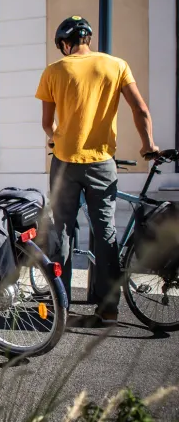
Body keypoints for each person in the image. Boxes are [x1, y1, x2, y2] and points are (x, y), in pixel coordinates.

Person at [36, 16, 158, 325]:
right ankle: (108, 308)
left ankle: (59, 306)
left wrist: (55, 139)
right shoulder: (117, 65)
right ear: (87, 38)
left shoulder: (54, 71)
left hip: (65, 162)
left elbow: (46, 124)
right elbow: (140, 109)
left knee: (62, 231)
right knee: (105, 232)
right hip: (103, 162)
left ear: (65, 43)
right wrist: (148, 145)